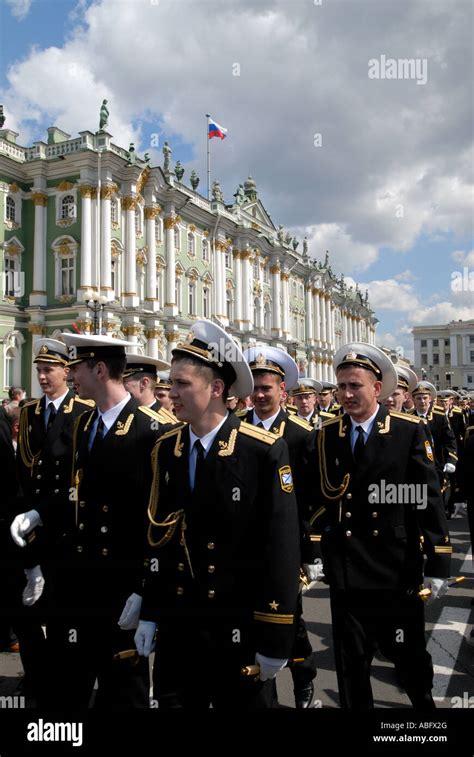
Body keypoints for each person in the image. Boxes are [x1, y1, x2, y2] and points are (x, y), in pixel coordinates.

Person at [135, 321, 301, 710]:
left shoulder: (261, 451)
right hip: (180, 628)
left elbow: (281, 549)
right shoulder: (165, 448)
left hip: (238, 627)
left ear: (216, 389)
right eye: (169, 383)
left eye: (181, 384)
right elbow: (160, 538)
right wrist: (150, 610)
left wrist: (276, 638)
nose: (170, 393)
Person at [11, 335, 169, 709]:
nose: (71, 375)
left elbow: (159, 522)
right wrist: (39, 514)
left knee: (123, 692)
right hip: (77, 578)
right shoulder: (83, 425)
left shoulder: (151, 432)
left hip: (121, 584)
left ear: (99, 369)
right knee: (67, 687)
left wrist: (147, 591)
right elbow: (74, 489)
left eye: (77, 367)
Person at [313, 342, 451, 710]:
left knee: (408, 658)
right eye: (341, 386)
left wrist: (437, 561)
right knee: (351, 664)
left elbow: (426, 497)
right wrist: (314, 549)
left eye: (354, 386)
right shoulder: (328, 434)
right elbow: (318, 499)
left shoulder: (407, 431)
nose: (345, 394)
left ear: (377, 388)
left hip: (394, 566)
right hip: (346, 567)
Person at [10, 338, 95, 705]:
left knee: (64, 613)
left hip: (66, 523)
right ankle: (37, 675)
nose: (43, 376)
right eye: (39, 370)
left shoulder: (84, 411)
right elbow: (24, 471)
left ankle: (63, 681)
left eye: (50, 370)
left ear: (67, 372)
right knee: (27, 610)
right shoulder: (29, 411)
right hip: (33, 526)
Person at [241, 346, 318, 708]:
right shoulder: (237, 429)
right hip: (248, 545)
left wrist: (311, 549)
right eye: (255, 388)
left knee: (292, 620)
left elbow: (314, 497)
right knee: (252, 620)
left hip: (289, 546)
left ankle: (304, 679)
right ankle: (262, 691)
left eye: (267, 388)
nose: (259, 394)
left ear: (282, 392)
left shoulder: (301, 434)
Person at [123, 353, 176, 423]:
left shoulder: (168, 424)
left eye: (124, 382)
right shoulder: (122, 415)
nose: (120, 387)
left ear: (144, 383)